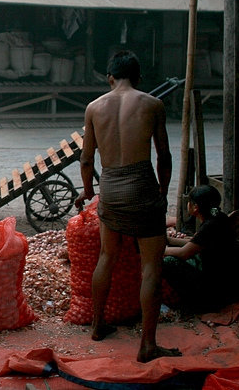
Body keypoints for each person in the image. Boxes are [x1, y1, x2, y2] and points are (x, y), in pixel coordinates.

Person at [74, 50, 180, 363]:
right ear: (138, 77)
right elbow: (164, 155)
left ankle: (97, 325)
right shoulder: (152, 104)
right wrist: (161, 192)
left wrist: (88, 191)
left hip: (110, 190)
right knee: (151, 267)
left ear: (110, 77)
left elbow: (86, 158)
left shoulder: (94, 107)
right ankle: (147, 345)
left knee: (106, 257)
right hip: (142, 188)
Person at [163, 185, 239, 313]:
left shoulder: (210, 226)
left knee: (168, 262)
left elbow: (184, 253)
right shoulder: (217, 216)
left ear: (195, 207)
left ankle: (194, 302)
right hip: (224, 280)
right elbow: (195, 242)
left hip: (213, 286)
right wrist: (169, 240)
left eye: (189, 202)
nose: (188, 205)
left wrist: (162, 250)